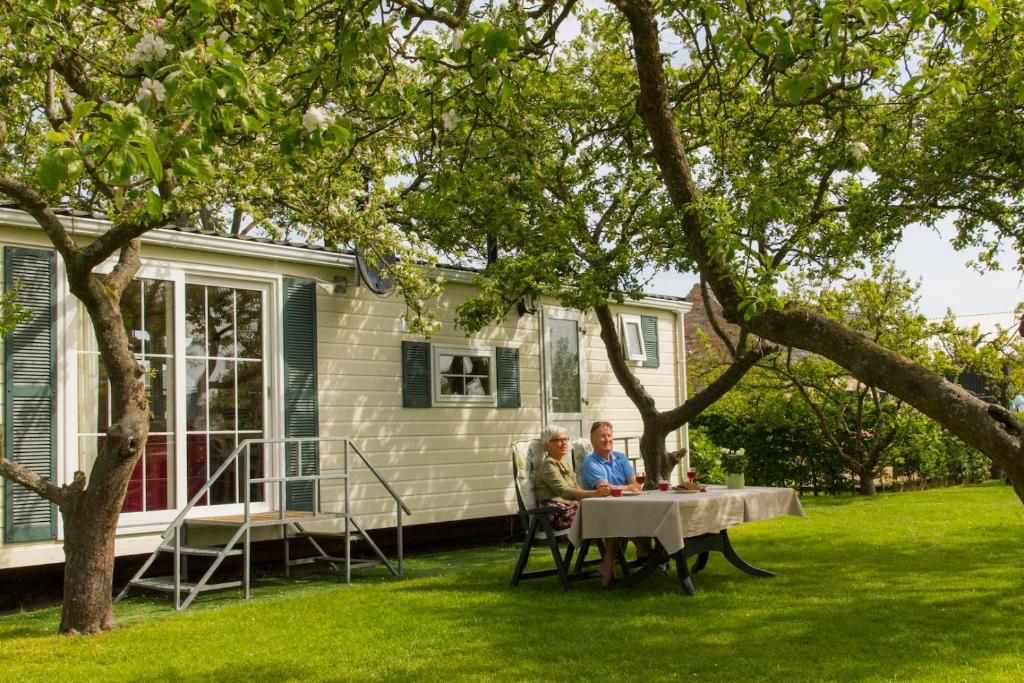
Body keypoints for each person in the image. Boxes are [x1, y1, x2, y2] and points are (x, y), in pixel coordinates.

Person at [579, 420, 650, 584]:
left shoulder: (621, 458)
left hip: (626, 508)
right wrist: (629, 487)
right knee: (619, 520)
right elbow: (605, 490)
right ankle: (649, 555)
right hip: (599, 512)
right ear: (592, 440)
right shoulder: (591, 463)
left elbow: (636, 486)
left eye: (609, 436)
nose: (607, 439)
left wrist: (622, 487)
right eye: (602, 436)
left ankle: (643, 556)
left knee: (650, 516)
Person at [534, 425, 609, 533]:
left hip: (569, 509)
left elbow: (576, 488)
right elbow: (564, 492)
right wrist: (595, 493)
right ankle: (611, 548)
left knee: (608, 511)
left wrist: (598, 494)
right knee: (605, 516)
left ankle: (612, 548)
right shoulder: (548, 465)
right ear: (547, 445)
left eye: (565, 439)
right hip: (555, 514)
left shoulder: (564, 464)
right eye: (558, 440)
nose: (564, 443)